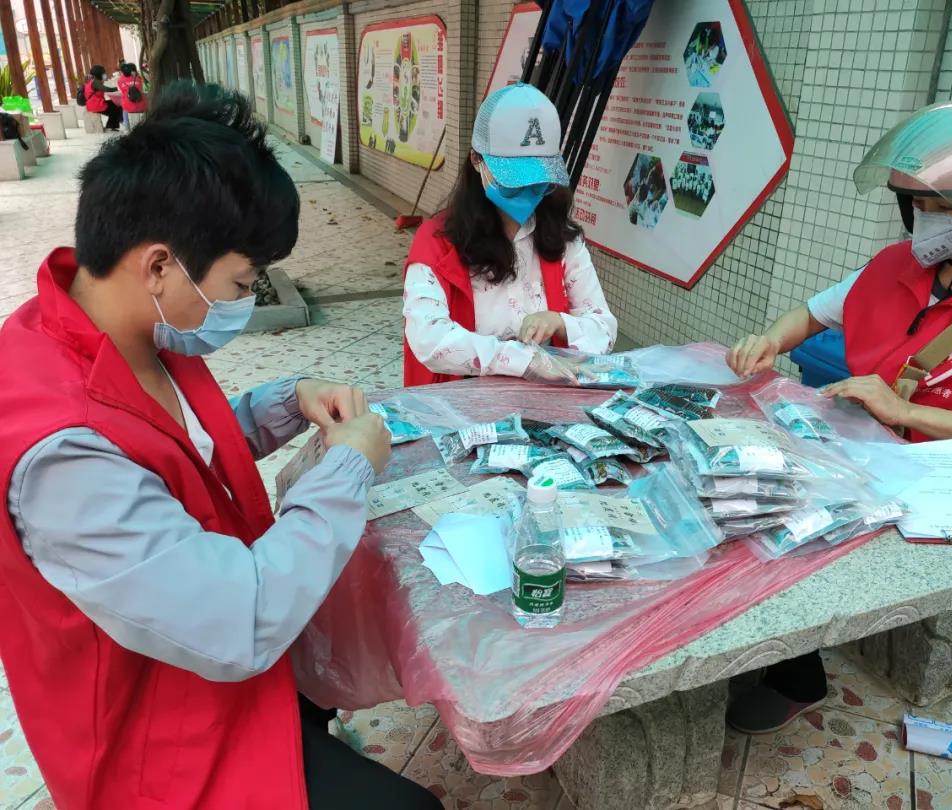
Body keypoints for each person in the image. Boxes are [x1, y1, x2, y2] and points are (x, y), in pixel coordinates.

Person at [0, 82, 440, 810]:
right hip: (158, 738)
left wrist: (285, 402)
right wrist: (348, 468)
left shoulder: (118, 324)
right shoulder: (59, 456)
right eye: (240, 282)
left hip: (203, 660)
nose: (241, 301)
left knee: (325, 662)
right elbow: (241, 621)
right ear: (159, 266)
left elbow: (174, 451)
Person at [725, 99, 952, 735]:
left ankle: (796, 675)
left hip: (943, 490)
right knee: (736, 485)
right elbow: (812, 314)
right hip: (865, 456)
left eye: (947, 206)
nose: (928, 220)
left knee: (785, 527)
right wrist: (769, 341)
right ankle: (769, 645)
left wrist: (906, 410)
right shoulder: (896, 266)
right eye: (918, 204)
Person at [403, 82, 617, 386]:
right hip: (466, 402)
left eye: (538, 181)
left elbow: (604, 329)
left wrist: (558, 322)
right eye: (513, 181)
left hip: (546, 402)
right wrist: (524, 361)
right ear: (477, 160)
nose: (527, 192)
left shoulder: (563, 239)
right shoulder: (437, 243)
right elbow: (429, 337)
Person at [84, 64, 122, 131]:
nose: (105, 74)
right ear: (99, 73)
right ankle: (111, 126)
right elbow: (106, 89)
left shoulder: (93, 81)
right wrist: (118, 88)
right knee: (116, 108)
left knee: (114, 105)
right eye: (103, 72)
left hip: (93, 104)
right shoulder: (95, 82)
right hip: (96, 105)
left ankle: (111, 126)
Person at [116, 62, 148, 129]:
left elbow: (121, 92)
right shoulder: (138, 79)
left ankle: (127, 126)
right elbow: (141, 90)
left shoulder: (120, 80)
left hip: (129, 107)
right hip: (142, 106)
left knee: (124, 106)